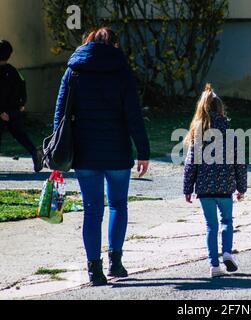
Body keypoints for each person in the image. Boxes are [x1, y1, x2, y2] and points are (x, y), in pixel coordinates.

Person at [53, 28, 150, 286]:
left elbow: (60, 112)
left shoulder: (74, 70)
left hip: (85, 152)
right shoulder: (122, 72)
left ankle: (94, 269)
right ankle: (115, 262)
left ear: (88, 42)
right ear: (114, 44)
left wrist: (57, 151)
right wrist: (143, 151)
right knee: (118, 205)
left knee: (92, 211)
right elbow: (134, 116)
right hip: (117, 151)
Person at [183, 84, 247, 278]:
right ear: (221, 110)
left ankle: (214, 265)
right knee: (227, 221)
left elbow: (190, 164)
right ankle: (227, 251)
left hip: (204, 190)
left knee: (211, 226)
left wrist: (187, 188)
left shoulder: (197, 135)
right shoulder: (231, 134)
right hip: (225, 188)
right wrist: (241, 187)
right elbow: (240, 164)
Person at [0, 40, 43, 172]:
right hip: (14, 110)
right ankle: (34, 152)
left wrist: (1, 112)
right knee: (20, 134)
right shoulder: (13, 71)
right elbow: (22, 85)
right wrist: (21, 104)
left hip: (3, 112)